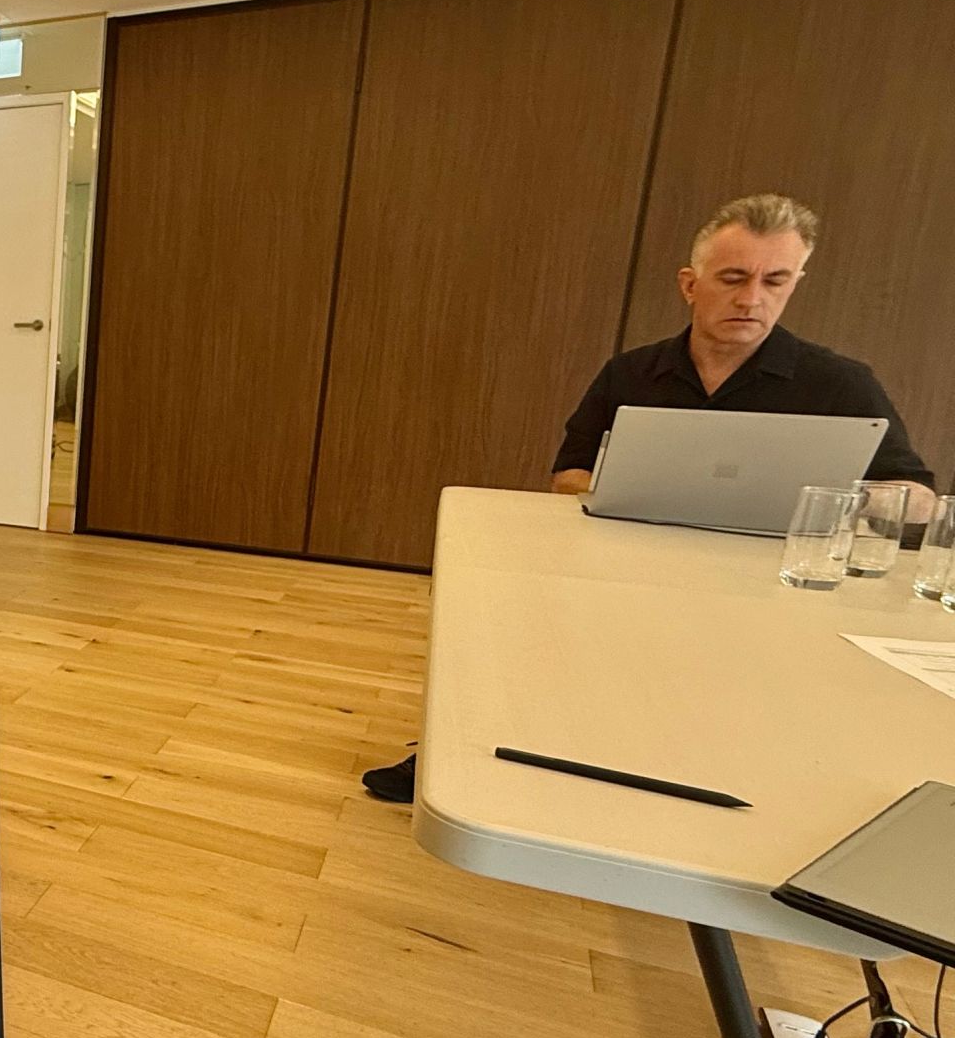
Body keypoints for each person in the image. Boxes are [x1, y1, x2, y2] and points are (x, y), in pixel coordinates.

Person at [363, 192, 939, 803]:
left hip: (769, 583)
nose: (752, 299)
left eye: (775, 280)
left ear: (796, 282)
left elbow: (918, 498)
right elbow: (568, 474)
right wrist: (627, 485)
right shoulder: (631, 373)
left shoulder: (842, 383)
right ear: (691, 285)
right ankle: (459, 753)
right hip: (629, 561)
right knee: (506, 606)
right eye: (733, 278)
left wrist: (841, 492)